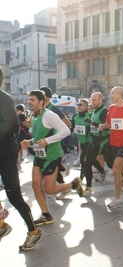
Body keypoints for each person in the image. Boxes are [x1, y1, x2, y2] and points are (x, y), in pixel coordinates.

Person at [20, 90, 84, 226]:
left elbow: (66, 130)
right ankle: (46, 215)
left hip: (51, 156)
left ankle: (74, 184)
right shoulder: (35, 116)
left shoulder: (49, 115)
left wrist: (48, 141)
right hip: (39, 155)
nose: (29, 102)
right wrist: (30, 142)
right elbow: (38, 137)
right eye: (28, 99)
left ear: (41, 102)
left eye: (32, 100)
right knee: (35, 185)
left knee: (48, 189)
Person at [0, 68, 45, 250]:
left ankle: (34, 232)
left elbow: (11, 125)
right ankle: (2, 225)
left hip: (6, 155)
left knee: (14, 196)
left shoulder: (5, 99)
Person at [99, 86, 123, 209]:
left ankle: (117, 199)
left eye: (112, 93)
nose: (110, 96)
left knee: (116, 169)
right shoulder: (111, 108)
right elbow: (109, 123)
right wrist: (103, 126)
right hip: (114, 142)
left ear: (120, 94)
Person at [84, 92, 114, 188]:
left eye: (94, 100)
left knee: (110, 163)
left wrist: (93, 122)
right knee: (87, 161)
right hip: (94, 139)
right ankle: (89, 187)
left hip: (103, 141)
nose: (92, 102)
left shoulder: (104, 111)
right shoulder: (94, 110)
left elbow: (106, 126)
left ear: (100, 100)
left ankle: (122, 177)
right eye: (91, 100)